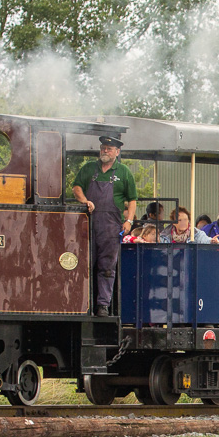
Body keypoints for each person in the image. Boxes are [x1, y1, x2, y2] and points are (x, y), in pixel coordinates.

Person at [71, 134, 138, 316]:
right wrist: (85, 201)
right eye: (103, 148)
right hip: (87, 223)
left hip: (110, 226)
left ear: (117, 152)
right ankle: (82, 303)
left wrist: (129, 221)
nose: (105, 151)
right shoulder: (88, 169)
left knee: (107, 266)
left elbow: (132, 200)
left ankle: (102, 305)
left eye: (109, 149)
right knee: (84, 263)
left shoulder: (124, 172)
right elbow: (76, 187)